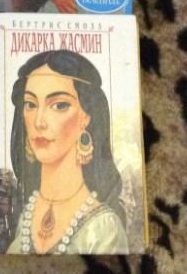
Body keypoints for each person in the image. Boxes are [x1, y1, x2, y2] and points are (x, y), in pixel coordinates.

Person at [7, 50, 128, 254]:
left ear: (86, 116)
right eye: (31, 104)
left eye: (59, 105)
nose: (39, 122)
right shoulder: (25, 215)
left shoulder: (105, 230)